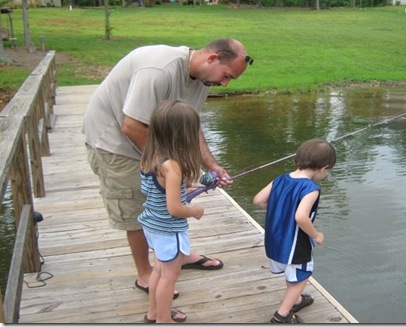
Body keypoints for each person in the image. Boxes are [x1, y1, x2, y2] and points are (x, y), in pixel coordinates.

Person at [83, 39, 252, 299]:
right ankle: (145, 273)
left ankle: (177, 255)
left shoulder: (202, 80)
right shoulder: (159, 70)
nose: (225, 84)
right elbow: (131, 126)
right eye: (226, 75)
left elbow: (191, 126)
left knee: (170, 198)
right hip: (115, 142)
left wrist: (212, 165)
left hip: (150, 141)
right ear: (212, 58)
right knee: (136, 207)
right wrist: (167, 169)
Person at [253, 139, 336, 323]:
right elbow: (300, 217)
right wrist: (316, 235)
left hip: (274, 240)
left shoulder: (280, 179)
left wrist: (281, 209)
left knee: (292, 272)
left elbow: (258, 200)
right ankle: (281, 316)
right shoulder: (310, 188)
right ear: (323, 168)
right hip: (295, 244)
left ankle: (296, 300)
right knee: (301, 276)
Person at [139, 100, 204, 323]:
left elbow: (157, 189)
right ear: (182, 135)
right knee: (169, 277)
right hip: (169, 231)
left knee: (158, 270)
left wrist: (187, 187)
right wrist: (194, 210)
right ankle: (163, 320)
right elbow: (175, 208)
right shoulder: (173, 167)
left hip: (152, 226)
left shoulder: (150, 156)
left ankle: (154, 313)